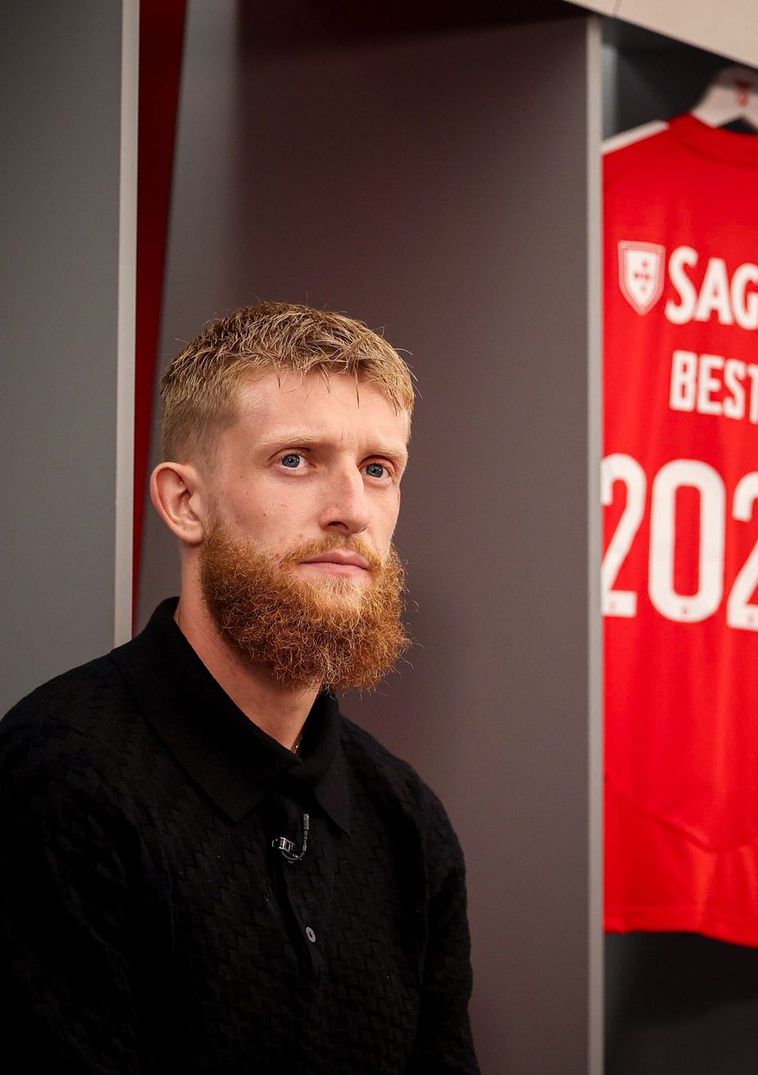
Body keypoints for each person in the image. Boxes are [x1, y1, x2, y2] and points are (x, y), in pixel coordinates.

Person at [0, 302, 479, 1074]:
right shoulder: (59, 777)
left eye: (378, 469)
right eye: (295, 459)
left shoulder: (410, 825)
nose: (352, 511)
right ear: (185, 502)